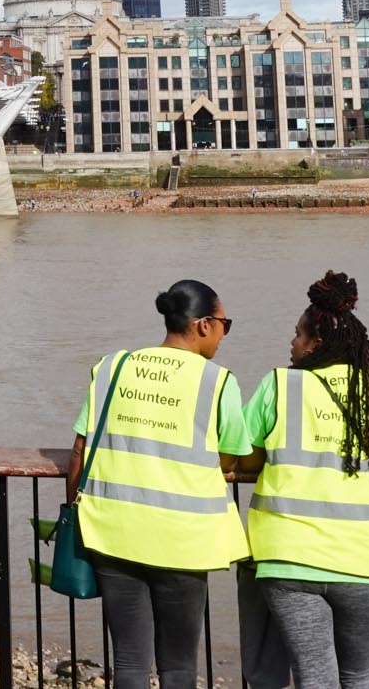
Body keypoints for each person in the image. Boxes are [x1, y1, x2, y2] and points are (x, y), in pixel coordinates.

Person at [245, 270, 369, 689]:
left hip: (289, 556)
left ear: (317, 342)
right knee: (361, 671)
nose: (291, 343)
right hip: (365, 558)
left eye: (297, 334)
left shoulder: (279, 385)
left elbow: (243, 454)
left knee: (315, 673)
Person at [66, 278, 251, 689]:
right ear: (204, 325)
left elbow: (80, 450)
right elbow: (230, 455)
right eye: (225, 323)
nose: (224, 333)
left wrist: (77, 519)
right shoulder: (217, 381)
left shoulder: (113, 366)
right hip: (183, 540)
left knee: (130, 661)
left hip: (113, 532)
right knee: (179, 667)